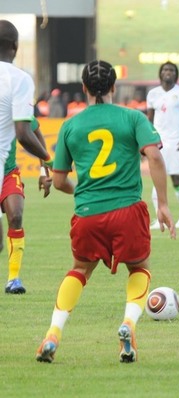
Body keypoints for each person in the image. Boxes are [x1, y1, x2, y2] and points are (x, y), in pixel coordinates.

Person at [35, 60, 176, 364]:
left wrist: (83, 190)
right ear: (114, 87)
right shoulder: (133, 118)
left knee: (80, 270)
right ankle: (128, 324)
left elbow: (58, 181)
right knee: (139, 268)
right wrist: (162, 204)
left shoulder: (70, 126)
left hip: (88, 214)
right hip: (127, 209)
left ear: (84, 88)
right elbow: (154, 155)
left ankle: (53, 333)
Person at [0, 19, 55, 292]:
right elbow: (25, 134)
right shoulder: (19, 80)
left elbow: (32, 127)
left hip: (8, 169)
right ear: (15, 46)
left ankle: (13, 280)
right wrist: (51, 163)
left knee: (16, 215)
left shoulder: (15, 82)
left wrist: (44, 165)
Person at [3, 119, 52, 294]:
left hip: (8, 173)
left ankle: (13, 279)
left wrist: (43, 170)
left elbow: (35, 131)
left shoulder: (10, 105)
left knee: (16, 216)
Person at [146, 61, 179, 229]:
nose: (168, 72)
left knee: (176, 180)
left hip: (176, 142)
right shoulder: (153, 94)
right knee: (157, 180)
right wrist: (147, 140)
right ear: (160, 73)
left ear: (176, 74)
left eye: (171, 70)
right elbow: (149, 120)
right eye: (165, 69)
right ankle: (158, 219)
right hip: (159, 143)